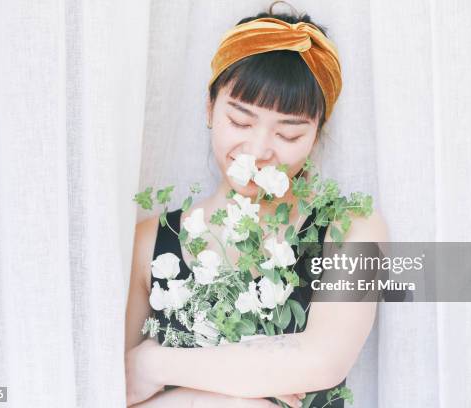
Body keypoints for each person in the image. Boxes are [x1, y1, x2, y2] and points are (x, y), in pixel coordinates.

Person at [125, 3, 388, 407]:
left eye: (288, 133)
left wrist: (155, 364)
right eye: (242, 122)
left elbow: (322, 360)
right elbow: (118, 387)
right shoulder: (150, 241)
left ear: (316, 135)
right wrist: (246, 386)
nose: (259, 150)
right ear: (211, 108)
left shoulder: (352, 229)